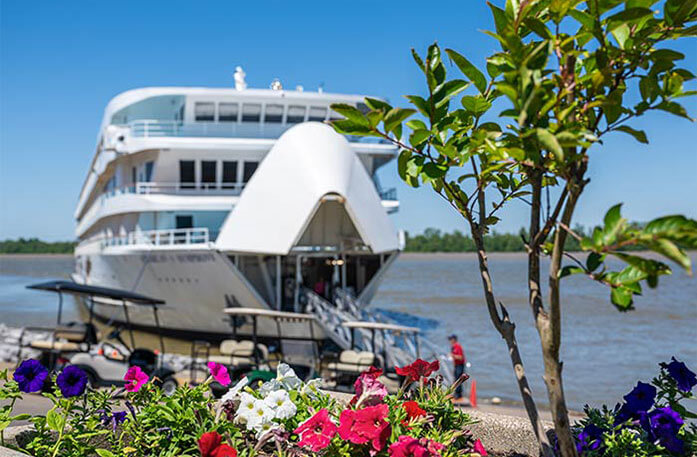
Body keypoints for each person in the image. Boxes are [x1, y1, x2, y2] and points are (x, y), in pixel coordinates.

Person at [448, 334, 466, 401]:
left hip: (460, 365)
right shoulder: (453, 347)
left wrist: (453, 355)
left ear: (454, 340)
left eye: (451, 339)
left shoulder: (458, 346)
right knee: (455, 379)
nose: (450, 341)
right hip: (456, 365)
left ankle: (458, 395)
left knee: (459, 379)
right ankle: (456, 393)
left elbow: (461, 357)